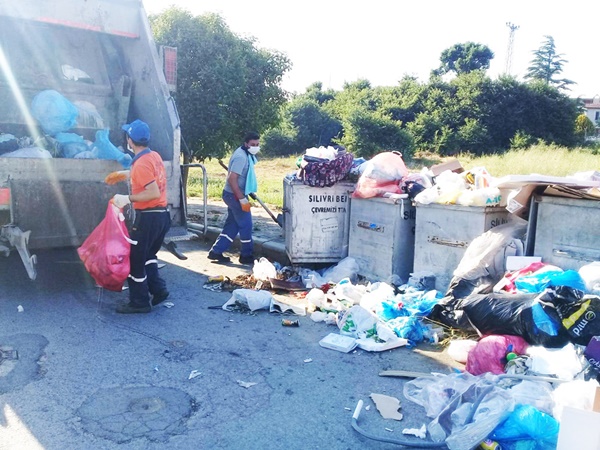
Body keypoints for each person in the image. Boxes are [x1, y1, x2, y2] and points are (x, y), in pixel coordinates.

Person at [105, 119, 171, 314]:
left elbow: (152, 192)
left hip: (148, 218)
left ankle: (139, 302)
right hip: (161, 217)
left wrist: (127, 198)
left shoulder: (141, 164)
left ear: (130, 140)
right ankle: (159, 290)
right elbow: (148, 173)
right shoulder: (154, 156)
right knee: (149, 255)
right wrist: (125, 174)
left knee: (135, 260)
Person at [208, 132, 260, 265]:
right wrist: (242, 198)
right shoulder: (241, 157)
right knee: (246, 225)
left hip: (234, 194)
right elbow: (232, 179)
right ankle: (246, 255)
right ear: (246, 144)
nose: (255, 147)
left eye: (257, 144)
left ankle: (216, 251)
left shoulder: (246, 154)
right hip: (234, 195)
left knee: (233, 225)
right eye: (253, 144)